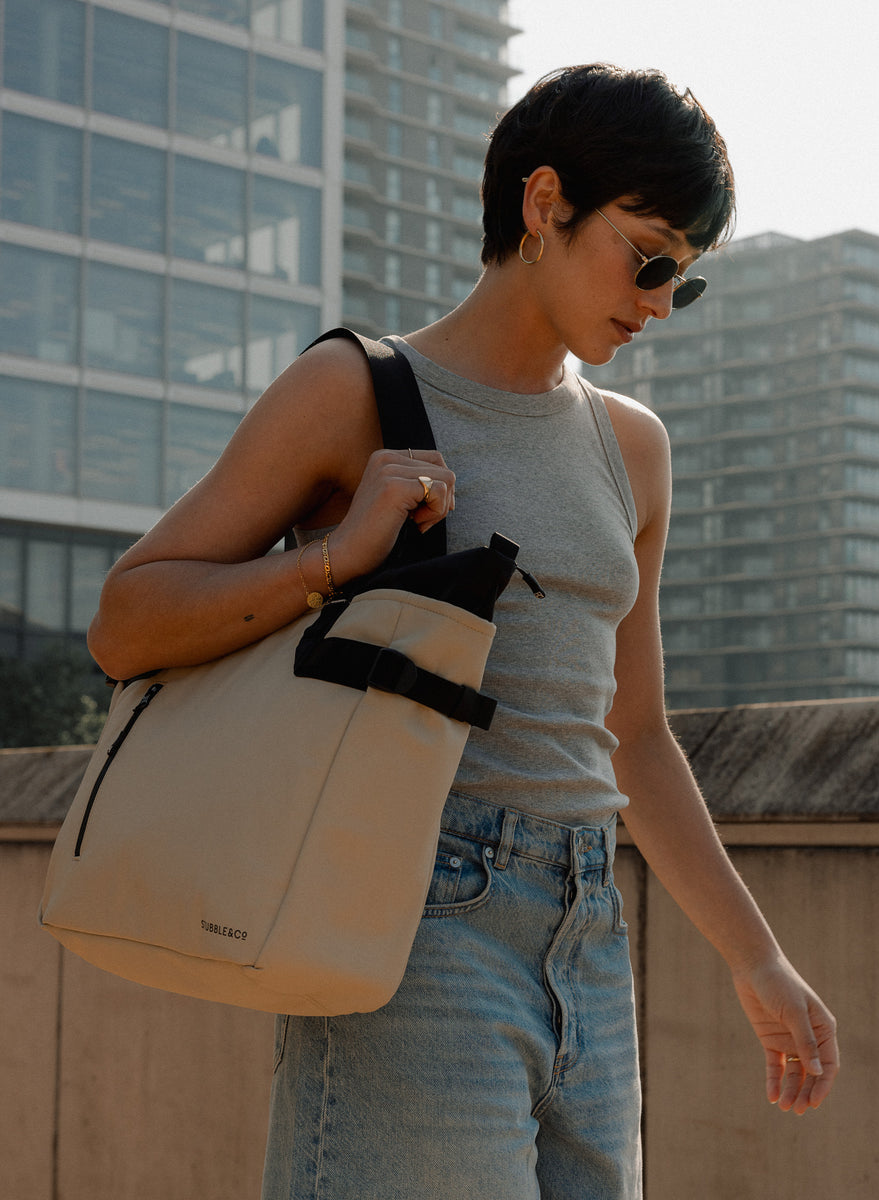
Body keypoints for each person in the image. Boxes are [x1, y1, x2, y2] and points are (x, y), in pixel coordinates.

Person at [88, 63, 838, 1200]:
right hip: (414, 928)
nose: (656, 302)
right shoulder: (356, 389)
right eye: (648, 258)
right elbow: (125, 621)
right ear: (544, 204)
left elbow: (635, 736)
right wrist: (336, 557)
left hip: (591, 935)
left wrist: (758, 958)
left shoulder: (633, 450)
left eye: (684, 284)